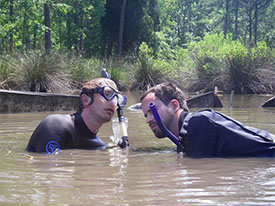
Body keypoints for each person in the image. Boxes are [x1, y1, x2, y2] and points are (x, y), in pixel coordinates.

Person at [141, 82, 275, 158]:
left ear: (174, 105)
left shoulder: (199, 124)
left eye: (152, 112)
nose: (148, 120)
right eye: (145, 115)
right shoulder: (186, 137)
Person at [27, 78, 129, 153]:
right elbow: (48, 172)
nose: (113, 102)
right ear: (85, 100)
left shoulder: (99, 146)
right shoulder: (56, 125)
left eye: (117, 98)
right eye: (107, 94)